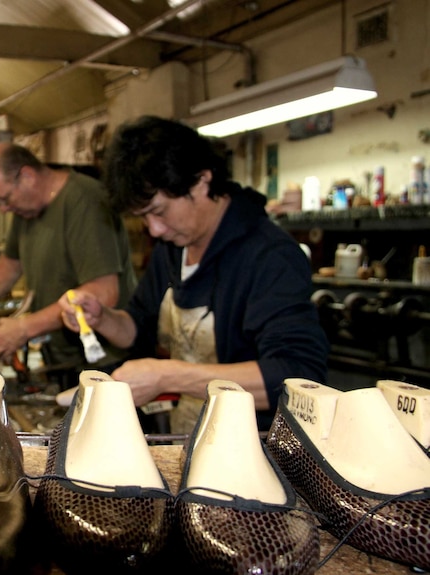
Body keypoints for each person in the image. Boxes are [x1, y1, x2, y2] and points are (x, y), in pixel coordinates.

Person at [59, 116, 329, 433]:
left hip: (256, 450)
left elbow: (298, 376)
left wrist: (169, 376)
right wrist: (102, 318)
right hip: (189, 439)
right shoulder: (174, 247)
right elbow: (138, 327)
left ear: (201, 181)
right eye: (144, 218)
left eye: (159, 211)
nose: (155, 229)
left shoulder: (269, 256)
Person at [0, 142, 137, 377]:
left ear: (27, 176)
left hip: (104, 362)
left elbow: (103, 292)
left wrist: (25, 328)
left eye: (4, 199)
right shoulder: (25, 209)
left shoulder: (85, 202)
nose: (3, 209)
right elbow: (10, 262)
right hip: (62, 358)